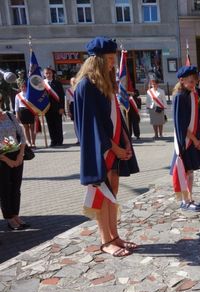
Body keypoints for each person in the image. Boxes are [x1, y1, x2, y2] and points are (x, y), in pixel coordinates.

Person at [74, 36, 139, 257]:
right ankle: (106, 240)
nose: (113, 63)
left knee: (112, 194)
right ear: (98, 60)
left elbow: (116, 117)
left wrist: (126, 141)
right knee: (103, 195)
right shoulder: (86, 86)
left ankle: (115, 235)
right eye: (110, 59)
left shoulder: (108, 84)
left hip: (114, 148)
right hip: (101, 151)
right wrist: (114, 148)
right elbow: (92, 126)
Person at [171, 66, 200, 212]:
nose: (193, 84)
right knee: (186, 171)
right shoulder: (180, 96)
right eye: (190, 81)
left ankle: (189, 198)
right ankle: (185, 201)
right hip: (186, 141)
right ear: (181, 80)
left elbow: (199, 119)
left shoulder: (193, 94)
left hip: (195, 140)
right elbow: (181, 125)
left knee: (191, 172)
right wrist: (195, 139)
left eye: (195, 81)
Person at [0, 107, 29, 230]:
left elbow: (21, 135)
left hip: (17, 155)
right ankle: (10, 219)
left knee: (16, 188)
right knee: (5, 190)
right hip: (2, 159)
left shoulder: (10, 115)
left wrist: (20, 155)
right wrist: (8, 160)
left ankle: (16, 215)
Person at [43, 66, 65, 146]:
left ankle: (59, 141)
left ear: (52, 74)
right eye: (46, 73)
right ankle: (53, 141)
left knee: (58, 125)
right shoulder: (42, 84)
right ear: (44, 74)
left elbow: (62, 96)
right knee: (50, 125)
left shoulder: (57, 83)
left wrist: (62, 107)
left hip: (57, 108)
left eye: (49, 73)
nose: (48, 75)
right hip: (47, 108)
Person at [14, 81, 36, 148]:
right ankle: (28, 142)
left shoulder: (31, 94)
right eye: (22, 87)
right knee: (26, 128)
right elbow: (16, 106)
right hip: (22, 112)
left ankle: (33, 143)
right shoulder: (18, 96)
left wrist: (36, 114)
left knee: (32, 128)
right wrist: (17, 115)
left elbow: (34, 104)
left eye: (25, 87)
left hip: (31, 111)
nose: (24, 88)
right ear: (20, 87)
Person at [65, 77, 78, 144]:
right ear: (70, 82)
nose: (74, 83)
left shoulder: (79, 89)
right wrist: (68, 111)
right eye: (72, 81)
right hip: (72, 106)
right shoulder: (68, 90)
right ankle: (78, 138)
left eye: (75, 81)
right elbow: (67, 101)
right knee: (75, 123)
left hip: (79, 105)